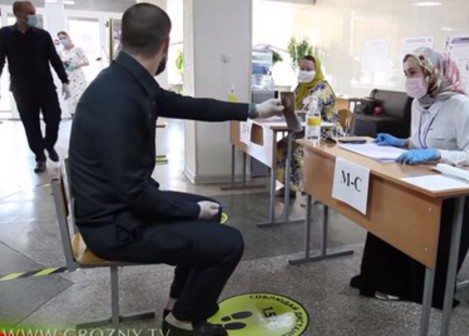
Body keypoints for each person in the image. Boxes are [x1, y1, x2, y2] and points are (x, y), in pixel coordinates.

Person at [68, 4, 283, 336]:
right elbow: (133, 193)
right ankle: (184, 321)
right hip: (112, 226)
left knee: (210, 214)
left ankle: (175, 307)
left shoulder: (126, 80)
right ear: (166, 44)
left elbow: (185, 104)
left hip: (117, 207)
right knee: (229, 243)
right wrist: (191, 211)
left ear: (122, 39)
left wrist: (253, 109)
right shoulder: (117, 99)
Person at [350, 47, 469, 309]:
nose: (409, 80)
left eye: (413, 73)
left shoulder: (460, 105)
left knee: (415, 213)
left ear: (431, 71)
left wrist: (436, 154)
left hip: (455, 187)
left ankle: (417, 285)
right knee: (388, 205)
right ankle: (382, 277)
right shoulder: (418, 103)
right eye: (406, 74)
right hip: (422, 178)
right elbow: (420, 141)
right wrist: (402, 141)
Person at [0, 1, 70, 173]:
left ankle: (49, 144)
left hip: (45, 87)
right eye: (29, 13)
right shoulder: (4, 35)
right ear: (17, 14)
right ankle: (40, 157)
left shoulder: (43, 35)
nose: (33, 16)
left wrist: (65, 81)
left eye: (34, 12)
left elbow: (54, 59)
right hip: (22, 90)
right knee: (31, 125)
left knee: (54, 117)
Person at [275, 55, 344, 196]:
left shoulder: (322, 88)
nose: (304, 72)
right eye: (302, 69)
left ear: (316, 70)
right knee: (281, 147)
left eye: (309, 69)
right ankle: (289, 187)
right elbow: (293, 106)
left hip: (326, 134)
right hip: (305, 130)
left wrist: (292, 112)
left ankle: (310, 188)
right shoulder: (301, 87)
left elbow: (311, 109)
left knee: (297, 151)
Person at [57, 31, 89, 117]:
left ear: (68, 37)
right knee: (71, 102)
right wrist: (64, 66)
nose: (63, 40)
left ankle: (84, 121)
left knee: (80, 99)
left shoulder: (77, 49)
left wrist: (76, 65)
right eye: (60, 39)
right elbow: (59, 65)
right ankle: (74, 123)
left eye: (64, 38)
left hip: (78, 77)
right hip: (68, 78)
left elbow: (87, 62)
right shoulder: (60, 53)